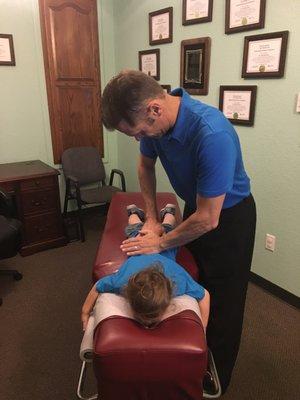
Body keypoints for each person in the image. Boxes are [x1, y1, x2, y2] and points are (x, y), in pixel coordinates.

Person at [101, 70, 256, 394]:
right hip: (196, 210)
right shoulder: (155, 129)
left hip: (229, 220)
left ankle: (214, 381)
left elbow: (209, 218)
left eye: (137, 131)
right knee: (189, 284)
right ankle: (181, 361)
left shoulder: (212, 133)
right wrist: (153, 219)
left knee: (224, 306)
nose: (137, 138)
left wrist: (159, 243)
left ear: (154, 109)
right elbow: (145, 167)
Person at [81, 204, 210, 331]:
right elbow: (204, 295)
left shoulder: (178, 281)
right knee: (137, 231)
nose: (147, 325)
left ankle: (166, 213)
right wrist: (85, 313)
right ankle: (136, 213)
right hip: (142, 247)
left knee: (166, 232)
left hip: (163, 249)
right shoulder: (121, 283)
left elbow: (205, 295)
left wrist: (202, 327)